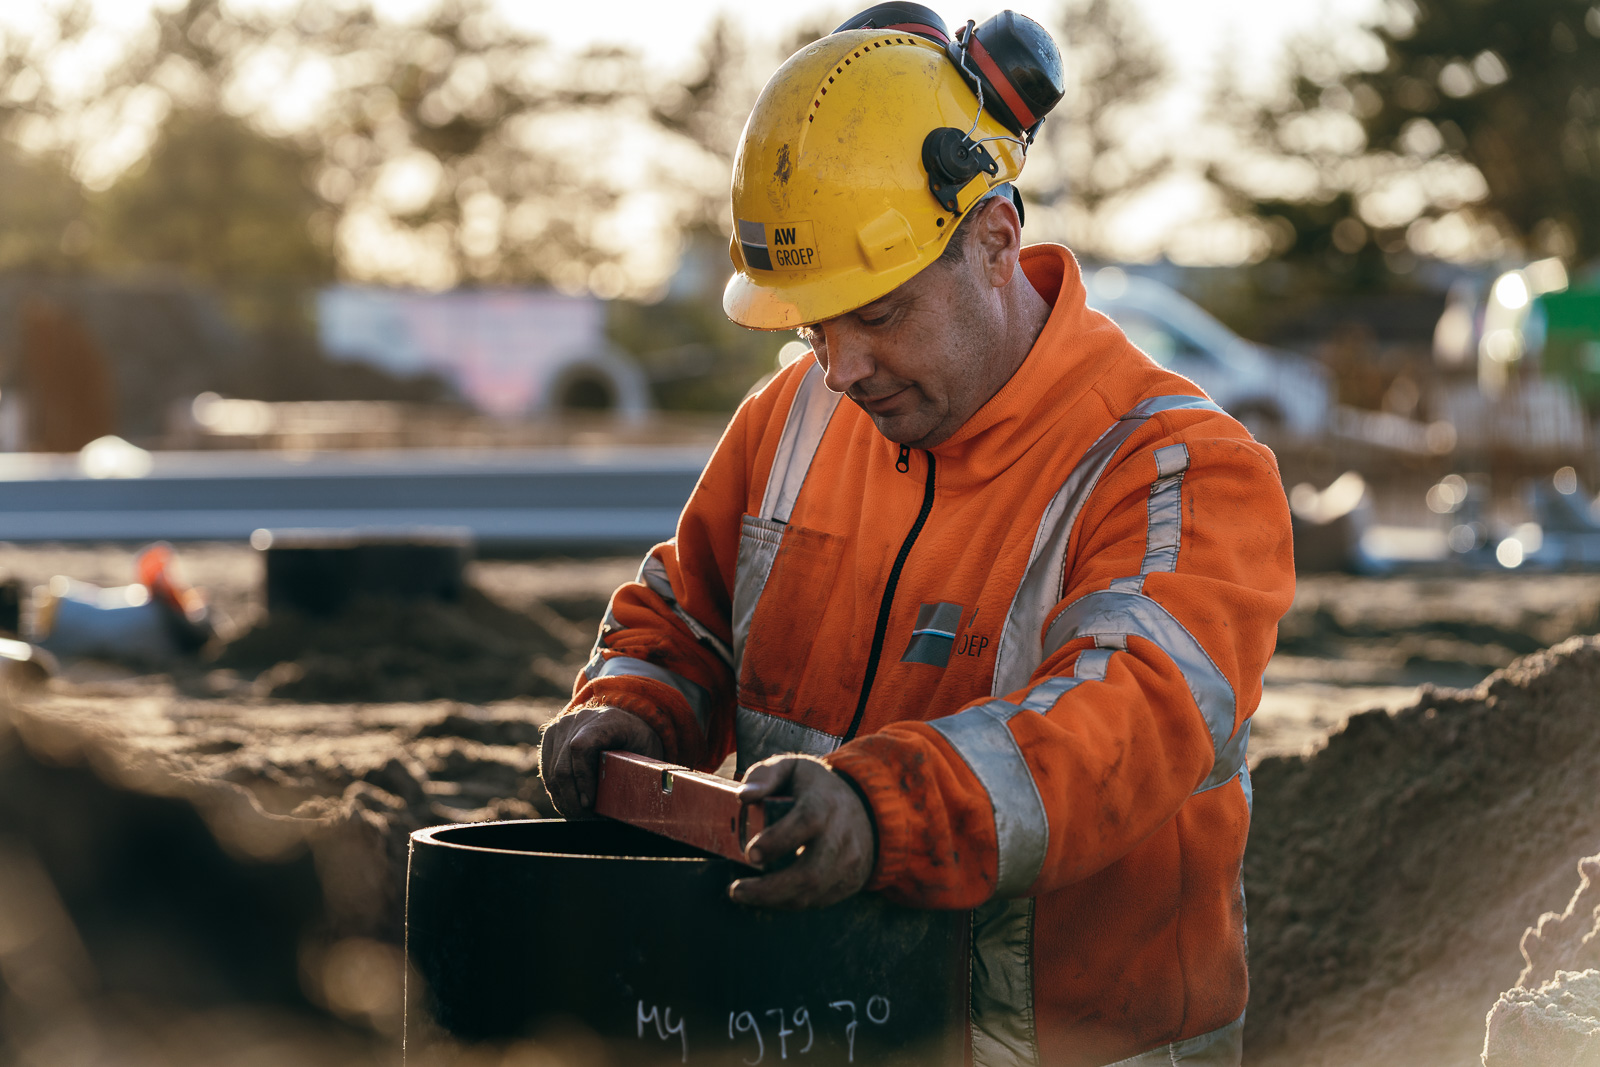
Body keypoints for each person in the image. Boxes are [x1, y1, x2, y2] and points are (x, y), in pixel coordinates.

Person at [539, 7, 1294, 1065]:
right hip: (813, 1025)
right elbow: (689, 616)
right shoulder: (793, 415)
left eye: (879, 313)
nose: (841, 369)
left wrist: (878, 806)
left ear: (994, 241)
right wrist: (630, 709)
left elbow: (1115, 729)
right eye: (814, 326)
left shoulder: (1177, 471)